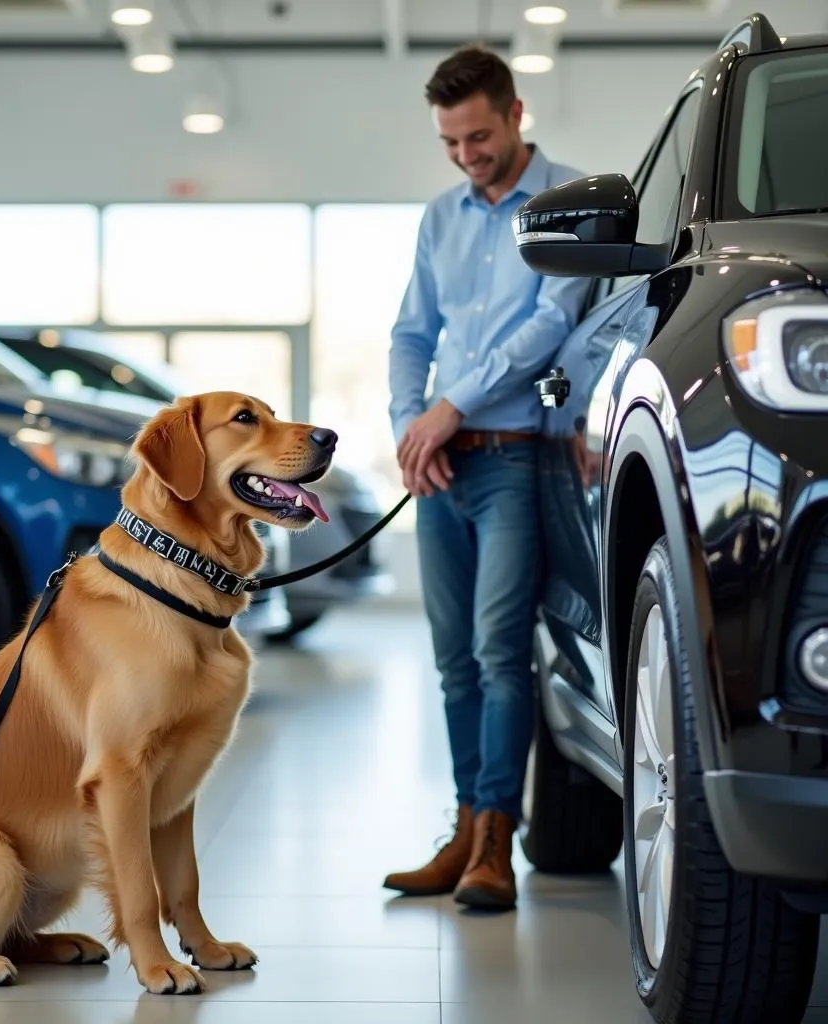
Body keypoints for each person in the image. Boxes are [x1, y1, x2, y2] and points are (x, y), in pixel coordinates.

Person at [383, 43, 591, 910]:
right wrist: (410, 427)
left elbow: (550, 323)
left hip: (514, 459)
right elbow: (409, 333)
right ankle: (465, 828)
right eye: (451, 143)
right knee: (452, 664)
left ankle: (499, 841)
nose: (467, 155)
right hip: (442, 469)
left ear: (514, 114)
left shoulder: (568, 202)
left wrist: (452, 407)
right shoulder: (442, 217)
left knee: (501, 654)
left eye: (478, 137)